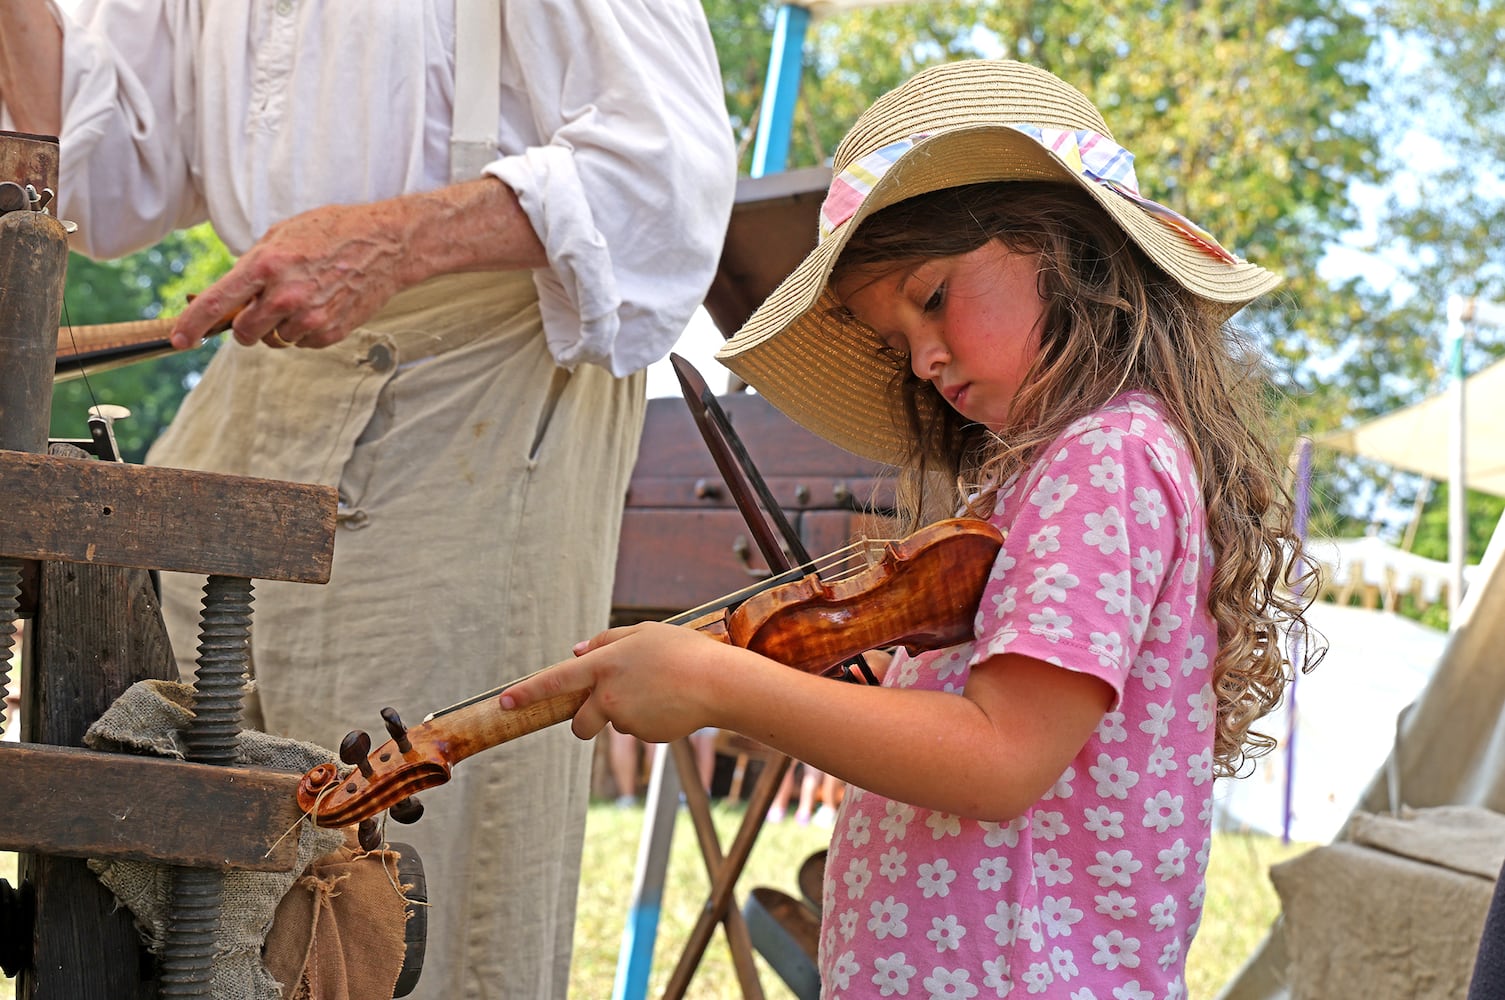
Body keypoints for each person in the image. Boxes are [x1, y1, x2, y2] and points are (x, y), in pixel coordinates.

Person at [500, 58, 1319, 998]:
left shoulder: (1108, 459)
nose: (924, 358)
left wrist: (721, 681)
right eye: (895, 343)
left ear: (1071, 251)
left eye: (931, 297)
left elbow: (1000, 757)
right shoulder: (1046, 478)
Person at [0, 3, 736, 999]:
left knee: (391, 885)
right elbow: (106, 167)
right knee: (133, 763)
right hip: (269, 362)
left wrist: (396, 240)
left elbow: (667, 175)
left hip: (474, 366)